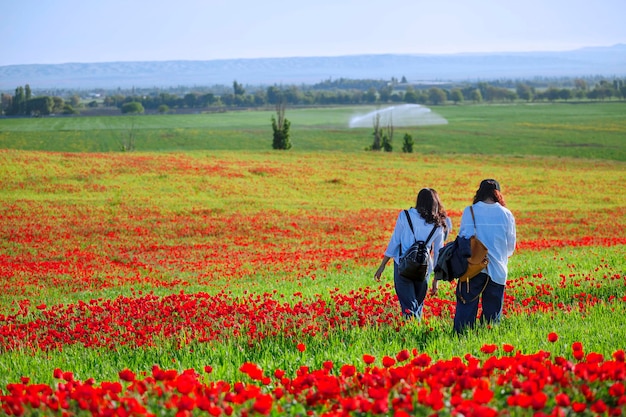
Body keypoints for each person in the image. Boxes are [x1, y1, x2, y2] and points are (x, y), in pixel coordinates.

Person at [453, 179, 516, 334]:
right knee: (492, 316)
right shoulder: (507, 214)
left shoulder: (471, 211)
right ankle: (486, 342)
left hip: (472, 269)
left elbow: (464, 238)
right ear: (498, 194)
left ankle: (462, 339)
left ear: (479, 192)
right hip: (498, 271)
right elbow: (510, 247)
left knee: (466, 308)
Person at [374, 188, 447, 319]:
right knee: (417, 305)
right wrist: (436, 279)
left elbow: (395, 241)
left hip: (403, 265)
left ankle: (411, 331)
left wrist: (383, 265)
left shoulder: (405, 215)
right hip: (424, 268)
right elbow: (438, 253)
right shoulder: (438, 224)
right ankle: (415, 331)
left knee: (408, 306)